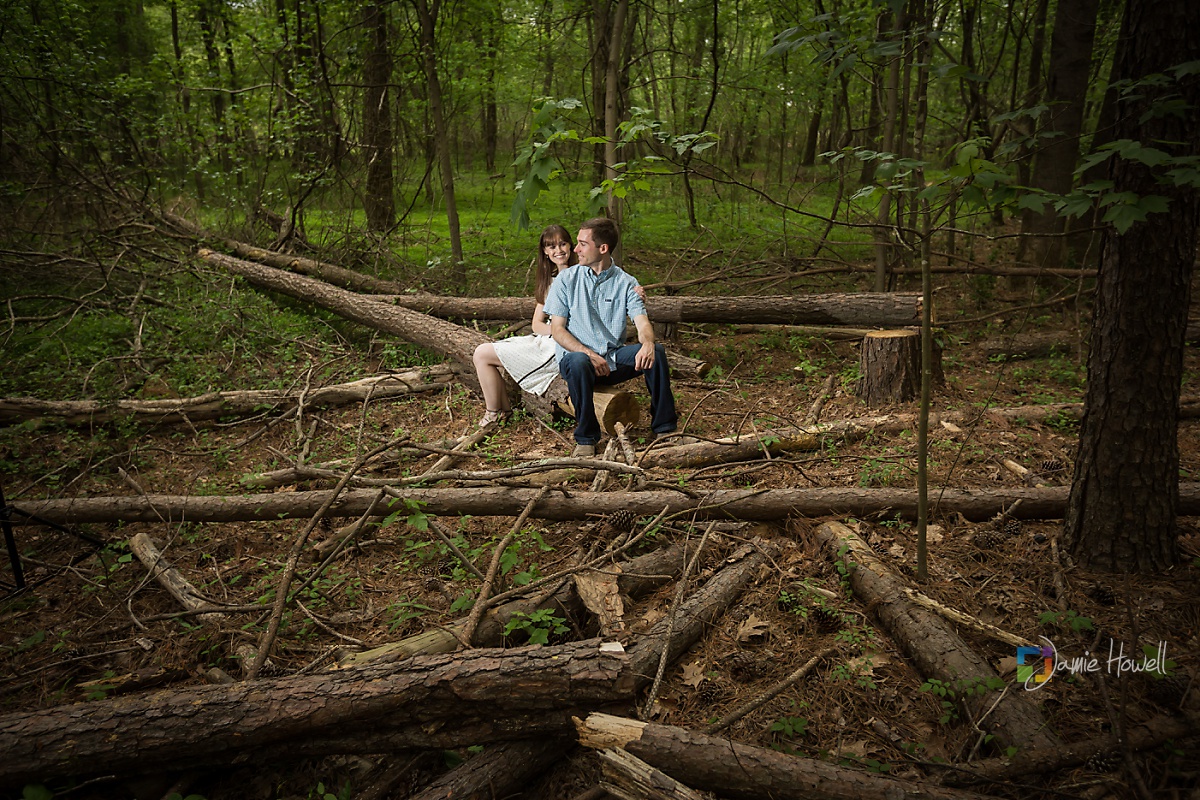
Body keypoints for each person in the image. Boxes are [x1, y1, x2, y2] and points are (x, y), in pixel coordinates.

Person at [544, 217, 678, 457]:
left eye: (582, 244)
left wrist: (647, 343)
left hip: (612, 360)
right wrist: (588, 353)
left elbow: (642, 321)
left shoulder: (627, 283)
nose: (575, 250)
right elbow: (557, 330)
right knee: (577, 361)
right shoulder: (566, 280)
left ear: (602, 248)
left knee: (655, 353)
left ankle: (665, 429)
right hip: (579, 363)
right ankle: (586, 438)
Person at [472, 225, 576, 426]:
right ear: (545, 252)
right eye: (551, 246)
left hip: (562, 347)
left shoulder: (581, 275)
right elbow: (537, 324)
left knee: (483, 355)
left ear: (571, 246)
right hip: (546, 340)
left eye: (562, 244)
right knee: (481, 353)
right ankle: (500, 411)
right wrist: (554, 330)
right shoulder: (550, 283)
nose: (558, 250)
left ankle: (494, 414)